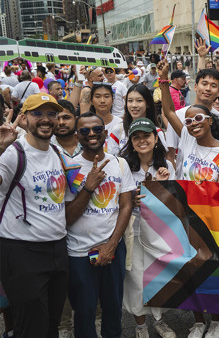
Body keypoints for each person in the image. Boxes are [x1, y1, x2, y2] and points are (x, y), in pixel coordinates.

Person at [158, 61, 219, 337]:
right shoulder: (186, 139)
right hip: (184, 214)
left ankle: (218, 320)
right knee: (188, 267)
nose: (192, 124)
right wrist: (163, 80)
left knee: (211, 268)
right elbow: (168, 110)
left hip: (213, 221)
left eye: (198, 119)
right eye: (188, 121)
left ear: (211, 120)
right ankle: (198, 320)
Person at [0, 93, 69, 337]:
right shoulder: (12, 153)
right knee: (31, 328)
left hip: (57, 249)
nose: (46, 119)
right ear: (24, 118)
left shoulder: (56, 151)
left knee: (51, 325)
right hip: (22, 252)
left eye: (51, 113)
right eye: (37, 113)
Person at [64, 111, 135, 338]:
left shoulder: (119, 164)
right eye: (84, 131)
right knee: (84, 311)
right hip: (79, 252)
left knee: (113, 308)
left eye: (96, 129)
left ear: (105, 132)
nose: (91, 134)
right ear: (77, 136)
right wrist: (88, 187)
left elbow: (125, 206)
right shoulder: (69, 169)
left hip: (112, 248)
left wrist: (111, 245)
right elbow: (67, 217)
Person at [119, 118, 176, 338]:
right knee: (134, 278)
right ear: (131, 142)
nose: (142, 141)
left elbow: (175, 201)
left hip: (160, 230)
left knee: (159, 276)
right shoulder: (123, 164)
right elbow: (117, 198)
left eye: (146, 136)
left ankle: (159, 320)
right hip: (133, 229)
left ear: (155, 138)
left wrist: (163, 185)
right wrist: (130, 201)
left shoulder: (167, 165)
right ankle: (140, 325)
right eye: (137, 137)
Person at [90, 83, 125, 156]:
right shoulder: (87, 125)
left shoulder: (121, 124)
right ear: (91, 101)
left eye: (106, 96)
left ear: (113, 100)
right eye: (98, 96)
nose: (102, 100)